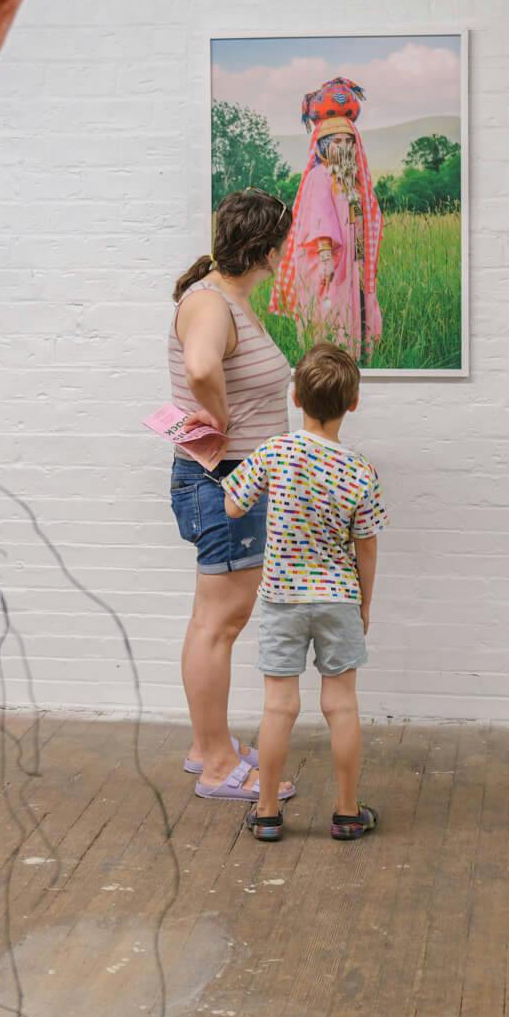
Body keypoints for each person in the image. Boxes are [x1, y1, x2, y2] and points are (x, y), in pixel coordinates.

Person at [221, 343, 385, 842]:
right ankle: (347, 811)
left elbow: (232, 506)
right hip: (337, 598)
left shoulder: (275, 451)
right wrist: (364, 604)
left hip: (281, 599)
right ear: (352, 404)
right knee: (342, 706)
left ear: (295, 397)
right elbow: (367, 547)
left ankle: (268, 812)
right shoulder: (361, 471)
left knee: (279, 708)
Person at [169, 188, 299, 804]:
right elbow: (200, 369)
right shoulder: (211, 304)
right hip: (225, 480)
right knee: (220, 623)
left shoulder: (221, 299)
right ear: (269, 251)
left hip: (232, 479)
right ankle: (219, 764)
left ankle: (206, 746)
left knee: (212, 620)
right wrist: (218, 418)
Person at [270, 78, 383, 365]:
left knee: (349, 309)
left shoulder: (351, 180)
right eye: (337, 142)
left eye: (348, 141)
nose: (344, 146)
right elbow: (321, 220)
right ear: (323, 146)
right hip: (327, 260)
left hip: (349, 260)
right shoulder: (319, 177)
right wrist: (325, 259)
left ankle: (351, 359)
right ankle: (326, 362)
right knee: (328, 312)